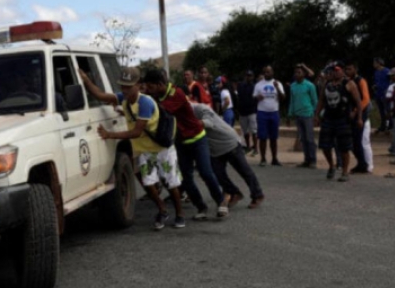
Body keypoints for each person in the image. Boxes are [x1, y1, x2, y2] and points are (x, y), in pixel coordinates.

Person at [79, 67, 185, 229]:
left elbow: (136, 132)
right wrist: (85, 79)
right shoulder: (124, 99)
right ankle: (163, 209)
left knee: (172, 183)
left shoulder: (145, 103)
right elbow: (100, 95)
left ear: (138, 85)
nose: (125, 90)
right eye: (122, 86)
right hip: (145, 151)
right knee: (148, 184)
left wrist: (109, 135)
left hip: (162, 149)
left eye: (129, 86)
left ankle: (179, 214)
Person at [142, 68, 229, 218]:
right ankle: (201, 207)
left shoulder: (176, 94)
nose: (149, 90)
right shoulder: (156, 95)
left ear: (160, 84)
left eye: (150, 87)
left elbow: (160, 112)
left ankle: (221, 201)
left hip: (197, 138)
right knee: (186, 178)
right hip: (181, 142)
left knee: (205, 172)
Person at [192, 103, 265, 209]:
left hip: (229, 142)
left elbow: (209, 123)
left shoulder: (199, 108)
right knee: (217, 173)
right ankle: (234, 193)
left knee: (244, 170)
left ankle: (258, 195)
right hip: (215, 149)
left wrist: (193, 122)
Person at [314, 62, 363, 182]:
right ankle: (331, 166)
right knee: (325, 146)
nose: (334, 72)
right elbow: (321, 100)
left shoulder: (349, 84)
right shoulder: (327, 84)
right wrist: (316, 115)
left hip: (343, 119)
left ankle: (345, 171)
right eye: (332, 70)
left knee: (344, 147)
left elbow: (358, 102)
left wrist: (359, 117)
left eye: (337, 70)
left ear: (342, 71)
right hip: (328, 118)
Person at [253, 65, 285, 167]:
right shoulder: (258, 84)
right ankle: (263, 158)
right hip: (262, 112)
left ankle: (274, 158)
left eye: (269, 72)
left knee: (273, 137)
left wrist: (277, 88)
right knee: (262, 137)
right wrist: (257, 97)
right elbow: (253, 97)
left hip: (274, 112)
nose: (267, 74)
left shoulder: (277, 83)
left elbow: (283, 97)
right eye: (265, 72)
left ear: (272, 72)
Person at [345, 62, 373, 173]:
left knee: (360, 141)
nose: (348, 71)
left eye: (350, 69)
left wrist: (356, 111)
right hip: (352, 115)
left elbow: (365, 99)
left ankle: (366, 164)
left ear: (355, 69)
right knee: (353, 142)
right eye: (346, 69)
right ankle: (361, 163)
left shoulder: (361, 81)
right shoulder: (347, 82)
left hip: (361, 114)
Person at [288, 64, 318, 168]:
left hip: (308, 114)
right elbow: (292, 100)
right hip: (298, 114)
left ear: (304, 74)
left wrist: (316, 114)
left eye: (299, 72)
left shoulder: (310, 85)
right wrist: (290, 113)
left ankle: (313, 160)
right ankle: (306, 159)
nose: (297, 74)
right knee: (303, 138)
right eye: (295, 72)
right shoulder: (293, 86)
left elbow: (315, 100)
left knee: (310, 138)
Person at [236, 70, 259, 156]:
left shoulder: (254, 86)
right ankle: (248, 146)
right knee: (245, 131)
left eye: (250, 76)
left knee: (254, 130)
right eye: (247, 75)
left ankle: (255, 148)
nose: (249, 77)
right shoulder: (241, 86)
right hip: (243, 111)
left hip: (252, 110)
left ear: (253, 77)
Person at [373, 58, 391, 133]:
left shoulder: (386, 71)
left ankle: (390, 124)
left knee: (387, 109)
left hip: (385, 92)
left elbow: (390, 80)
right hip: (378, 92)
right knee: (381, 110)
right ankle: (383, 125)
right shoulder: (376, 72)